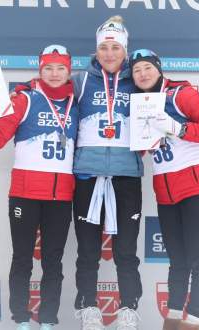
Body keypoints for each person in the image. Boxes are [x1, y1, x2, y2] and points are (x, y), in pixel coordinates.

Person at [0, 45, 78, 330]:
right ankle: (21, 320)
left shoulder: (77, 102)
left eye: (60, 68)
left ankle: (49, 320)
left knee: (54, 261)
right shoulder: (24, 99)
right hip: (25, 194)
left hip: (61, 195)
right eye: (48, 68)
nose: (54, 74)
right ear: (40, 69)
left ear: (68, 70)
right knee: (23, 259)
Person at [129, 49, 199, 330]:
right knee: (177, 261)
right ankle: (172, 321)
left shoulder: (180, 94)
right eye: (137, 70)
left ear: (159, 70)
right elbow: (142, 150)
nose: (143, 74)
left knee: (198, 259)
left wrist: (179, 128)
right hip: (166, 191)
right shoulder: (139, 103)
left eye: (148, 67)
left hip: (195, 188)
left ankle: (193, 321)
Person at [72, 16, 143, 330]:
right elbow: (50, 92)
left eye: (115, 47)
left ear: (125, 50)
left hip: (127, 176)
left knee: (126, 251)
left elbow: (161, 103)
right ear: (96, 49)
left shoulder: (138, 80)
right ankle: (89, 309)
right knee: (87, 251)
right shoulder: (81, 80)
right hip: (87, 176)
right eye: (104, 47)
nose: (110, 53)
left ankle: (129, 310)